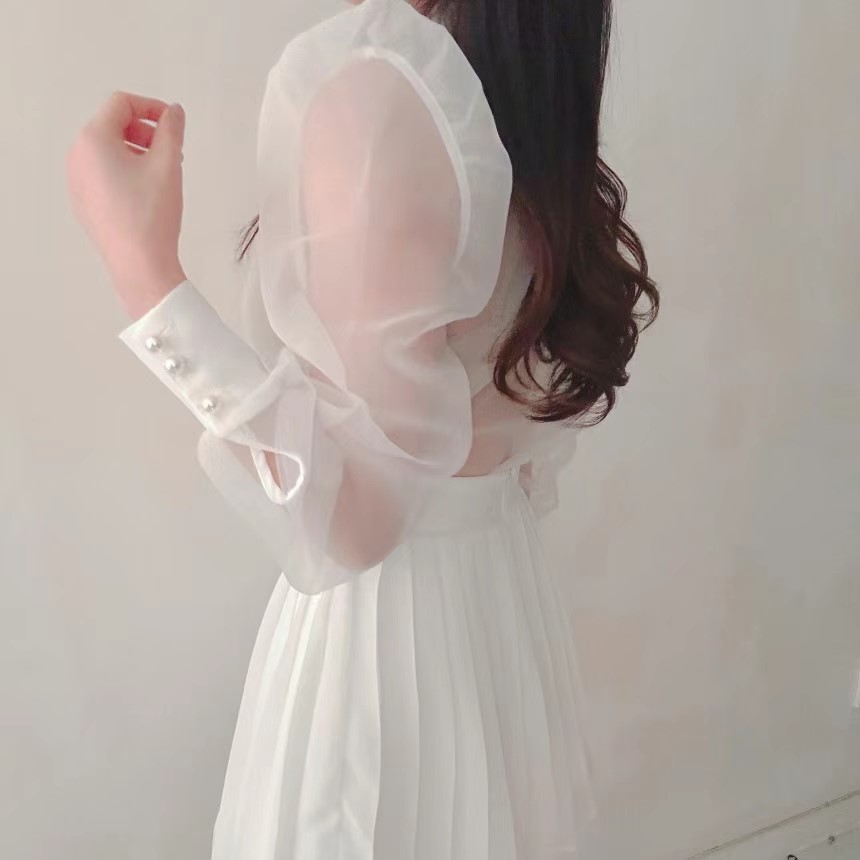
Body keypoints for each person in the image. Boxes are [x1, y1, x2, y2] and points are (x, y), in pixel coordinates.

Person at [66, 0, 659, 855]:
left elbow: (351, 522)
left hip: (389, 641)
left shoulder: (383, 89)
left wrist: (145, 274)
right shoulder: (521, 78)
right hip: (496, 597)